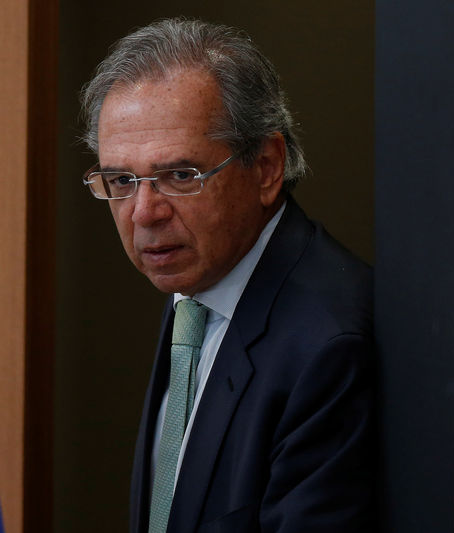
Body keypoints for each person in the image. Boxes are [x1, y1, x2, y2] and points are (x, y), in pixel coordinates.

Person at [79, 18, 375, 533]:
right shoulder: (197, 284)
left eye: (180, 176)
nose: (145, 212)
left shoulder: (330, 343)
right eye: (121, 180)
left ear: (265, 167)